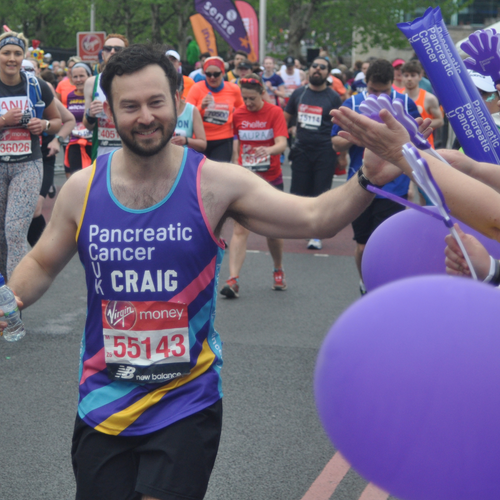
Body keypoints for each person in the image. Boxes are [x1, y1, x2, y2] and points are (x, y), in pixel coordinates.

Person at [4, 44, 399, 500]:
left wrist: (367, 179)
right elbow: (40, 261)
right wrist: (11, 298)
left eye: (156, 102)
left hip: (185, 400)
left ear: (178, 102)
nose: (145, 117)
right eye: (129, 106)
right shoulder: (83, 188)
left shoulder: (214, 182)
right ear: (109, 112)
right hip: (104, 400)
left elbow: (315, 218)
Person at [331, 58, 420, 294]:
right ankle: (366, 282)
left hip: (394, 186)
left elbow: (416, 144)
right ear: (365, 83)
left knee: (386, 247)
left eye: (384, 91)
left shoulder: (404, 103)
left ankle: (380, 289)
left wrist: (412, 181)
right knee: (362, 246)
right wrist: (357, 136)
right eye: (372, 90)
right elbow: (335, 142)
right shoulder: (352, 103)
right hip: (360, 185)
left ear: (394, 83)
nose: (377, 96)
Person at [0, 31, 62, 279]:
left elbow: (57, 121)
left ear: (23, 56)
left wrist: (44, 126)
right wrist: (4, 120)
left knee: (15, 232)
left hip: (27, 164)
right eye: (6, 53)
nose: (11, 58)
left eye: (17, 53)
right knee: (1, 236)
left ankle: (14, 300)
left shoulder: (38, 85)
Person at [220, 74, 289, 298]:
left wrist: (267, 150)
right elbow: (236, 145)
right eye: (244, 98)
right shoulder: (238, 114)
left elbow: (282, 144)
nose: (247, 103)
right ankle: (233, 280)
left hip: (270, 178)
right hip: (246, 179)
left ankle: (278, 269)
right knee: (240, 229)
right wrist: (234, 165)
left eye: (251, 98)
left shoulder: (274, 112)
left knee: (273, 230)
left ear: (262, 93)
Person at [284, 56, 342, 250]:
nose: (317, 69)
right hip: (301, 149)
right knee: (299, 193)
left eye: (322, 67)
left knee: (321, 194)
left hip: (324, 151)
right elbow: (285, 118)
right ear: (309, 70)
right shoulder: (299, 94)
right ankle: (299, 229)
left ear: (328, 73)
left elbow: (339, 126)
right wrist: (288, 132)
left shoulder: (333, 97)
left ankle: (316, 234)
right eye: (314, 66)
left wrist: (341, 154)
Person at [186, 56, 243, 162]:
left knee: (218, 175)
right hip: (199, 139)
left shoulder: (233, 89)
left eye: (216, 74)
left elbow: (241, 111)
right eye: (208, 74)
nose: (212, 77)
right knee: (199, 174)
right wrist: (201, 107)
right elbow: (187, 114)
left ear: (223, 73)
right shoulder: (196, 88)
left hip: (223, 140)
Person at [83, 33, 129, 160]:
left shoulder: (134, 81)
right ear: (103, 54)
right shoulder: (92, 82)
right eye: (108, 49)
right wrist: (91, 115)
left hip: (128, 152)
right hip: (101, 153)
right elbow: (87, 125)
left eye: (118, 49)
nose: (112, 52)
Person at [401, 60, 443, 148]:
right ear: (402, 77)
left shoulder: (429, 98)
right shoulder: (397, 97)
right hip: (403, 145)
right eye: (406, 75)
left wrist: (417, 126)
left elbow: (440, 121)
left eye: (413, 75)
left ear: (420, 76)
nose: (409, 79)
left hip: (425, 145)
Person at [65, 62, 93, 177]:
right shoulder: (70, 96)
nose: (79, 80)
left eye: (82, 76)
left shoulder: (95, 95)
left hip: (92, 143)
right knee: (75, 178)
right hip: (74, 142)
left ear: (90, 77)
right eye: (75, 77)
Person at [171, 74, 207, 152]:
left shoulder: (191, 110)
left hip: (183, 156)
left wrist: (186, 140)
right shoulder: (160, 110)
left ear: (182, 91)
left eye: (176, 92)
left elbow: (202, 144)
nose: (174, 96)